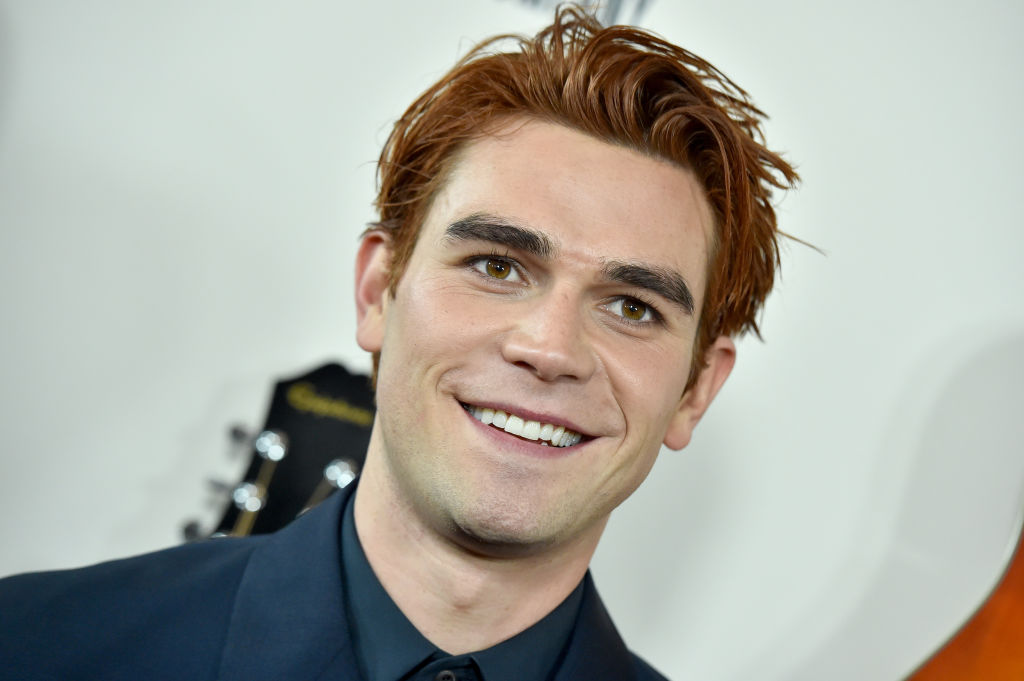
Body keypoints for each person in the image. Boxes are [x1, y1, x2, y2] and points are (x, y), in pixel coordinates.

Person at [0, 5, 797, 680]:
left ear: (696, 389)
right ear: (378, 289)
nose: (550, 348)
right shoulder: (34, 646)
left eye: (631, 306)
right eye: (497, 265)